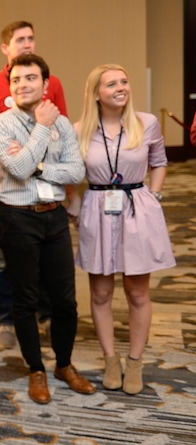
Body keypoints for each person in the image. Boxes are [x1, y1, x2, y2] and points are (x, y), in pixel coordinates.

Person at [0, 53, 94, 404]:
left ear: (45, 84)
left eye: (30, 78)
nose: (22, 85)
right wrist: (42, 131)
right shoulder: (0, 125)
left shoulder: (63, 123)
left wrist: (38, 165)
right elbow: (16, 167)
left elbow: (75, 172)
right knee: (26, 299)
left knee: (65, 300)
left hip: (54, 217)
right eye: (16, 80)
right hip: (17, 217)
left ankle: (64, 364)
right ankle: (36, 369)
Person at [74, 64, 175, 394]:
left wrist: (155, 195)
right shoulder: (81, 130)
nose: (121, 87)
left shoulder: (147, 123)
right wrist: (76, 211)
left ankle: (134, 361)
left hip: (136, 209)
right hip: (98, 210)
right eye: (111, 83)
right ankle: (110, 359)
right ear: (96, 94)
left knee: (137, 292)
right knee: (101, 293)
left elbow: (159, 160)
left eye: (124, 81)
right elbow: (70, 175)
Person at [0, 20, 65, 349]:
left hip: (43, 187)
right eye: (19, 39)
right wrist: (7, 137)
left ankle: (43, 315)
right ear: (5, 48)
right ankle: (5, 320)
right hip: (6, 187)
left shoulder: (50, 83)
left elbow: (61, 127)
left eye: (30, 38)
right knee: (2, 260)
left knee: (41, 259)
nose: (26, 43)